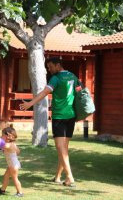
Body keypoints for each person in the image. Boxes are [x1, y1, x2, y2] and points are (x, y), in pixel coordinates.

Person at [20, 57, 79, 187]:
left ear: (58, 65)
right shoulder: (73, 76)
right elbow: (79, 92)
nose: (49, 69)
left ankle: (70, 177)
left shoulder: (56, 78)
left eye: (51, 66)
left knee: (61, 148)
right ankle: (58, 177)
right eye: (48, 67)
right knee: (63, 149)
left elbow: (44, 93)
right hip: (71, 116)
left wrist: (30, 103)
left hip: (60, 116)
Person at [0, 126, 23, 197]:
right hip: (12, 164)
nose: (1, 136)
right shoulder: (13, 144)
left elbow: (2, 145)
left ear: (7, 136)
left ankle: (20, 192)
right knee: (6, 176)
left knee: (15, 178)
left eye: (2, 135)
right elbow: (18, 151)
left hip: (13, 165)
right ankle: (2, 190)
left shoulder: (8, 145)